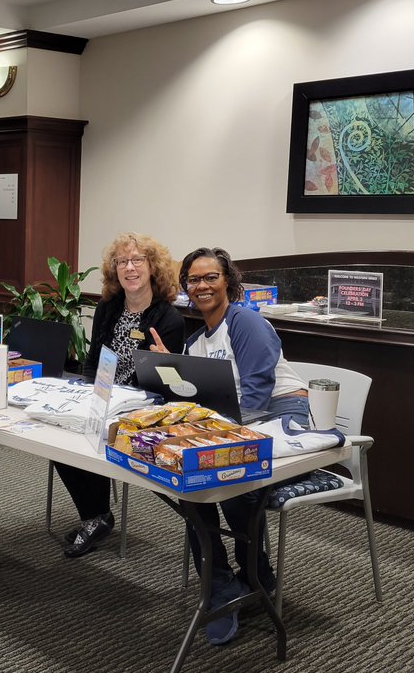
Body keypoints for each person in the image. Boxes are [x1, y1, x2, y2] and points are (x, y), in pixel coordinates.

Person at [150, 246, 308, 646]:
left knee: (231, 475)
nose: (201, 286)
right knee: (186, 478)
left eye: (210, 277)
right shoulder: (194, 343)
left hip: (284, 414)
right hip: (237, 424)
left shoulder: (245, 322)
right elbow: (192, 400)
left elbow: (256, 393)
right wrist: (171, 368)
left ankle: (253, 575)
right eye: (193, 279)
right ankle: (223, 584)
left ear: (228, 282)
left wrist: (217, 435)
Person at [55, 233, 185, 558]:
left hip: (143, 406)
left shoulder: (168, 318)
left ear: (152, 267)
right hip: (103, 397)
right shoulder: (108, 308)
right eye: (122, 261)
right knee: (57, 432)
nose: (130, 268)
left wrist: (165, 360)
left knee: (96, 431)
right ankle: (96, 515)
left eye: (137, 260)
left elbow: (162, 386)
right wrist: (87, 394)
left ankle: (95, 516)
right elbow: (92, 360)